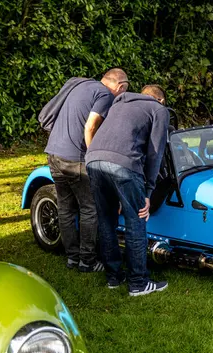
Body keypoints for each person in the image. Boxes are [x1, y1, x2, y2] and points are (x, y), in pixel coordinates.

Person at [85, 85, 169, 296]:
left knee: (106, 220)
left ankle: (114, 277)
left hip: (93, 159)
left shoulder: (119, 102)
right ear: (160, 101)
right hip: (124, 165)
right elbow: (155, 152)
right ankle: (139, 283)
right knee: (136, 220)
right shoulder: (159, 110)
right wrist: (148, 192)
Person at [44, 68, 128, 272]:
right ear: (120, 86)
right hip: (76, 159)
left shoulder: (81, 85)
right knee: (89, 208)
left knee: (65, 207)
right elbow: (90, 126)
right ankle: (87, 261)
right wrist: (93, 156)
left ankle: (72, 257)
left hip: (53, 153)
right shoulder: (105, 94)